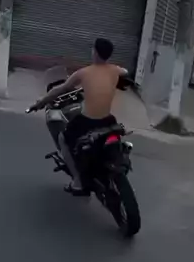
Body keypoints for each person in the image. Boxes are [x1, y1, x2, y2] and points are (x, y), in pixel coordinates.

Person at [29, 38, 127, 196]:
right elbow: (125, 72)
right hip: (108, 120)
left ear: (95, 53)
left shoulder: (84, 73)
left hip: (88, 121)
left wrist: (40, 103)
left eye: (93, 49)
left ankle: (78, 182)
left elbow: (59, 90)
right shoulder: (115, 70)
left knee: (63, 139)